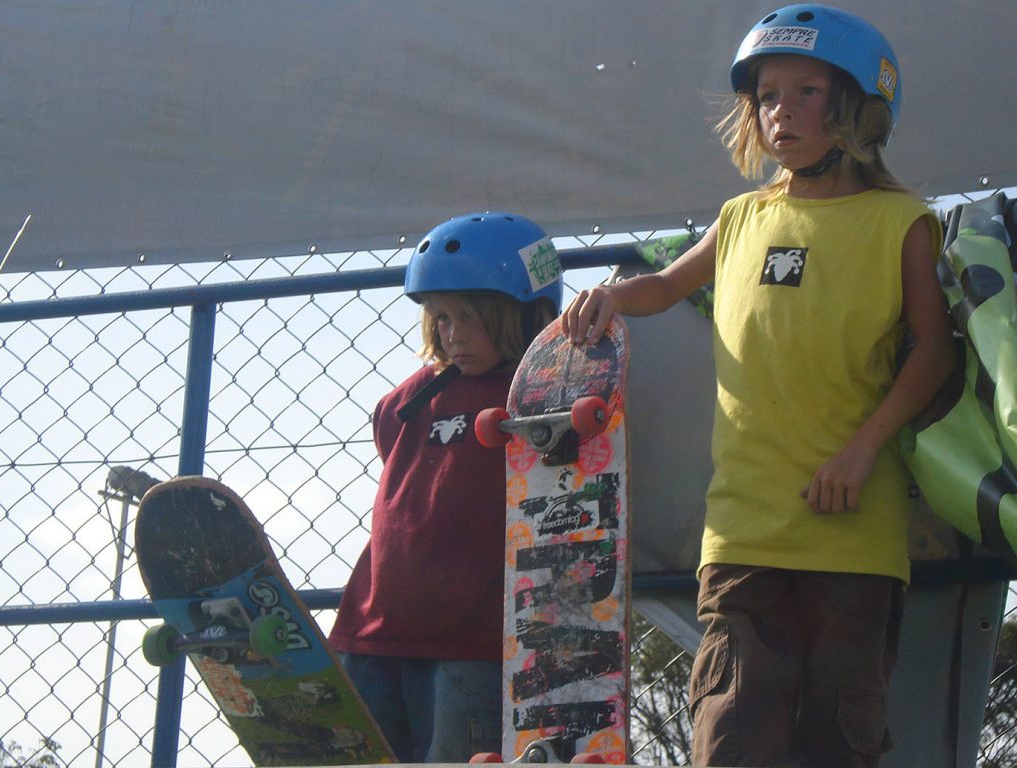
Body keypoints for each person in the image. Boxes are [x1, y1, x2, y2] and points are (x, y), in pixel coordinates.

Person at [562, 5, 956, 767]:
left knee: (837, 743)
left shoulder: (902, 221)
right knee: (732, 735)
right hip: (741, 529)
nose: (781, 110)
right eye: (767, 95)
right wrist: (611, 297)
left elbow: (934, 353)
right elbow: (669, 285)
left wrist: (861, 452)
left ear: (861, 107)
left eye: (807, 90)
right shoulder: (740, 216)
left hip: (854, 525)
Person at [328, 211, 561, 762]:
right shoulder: (412, 398)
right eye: (441, 319)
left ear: (524, 315)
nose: (453, 335)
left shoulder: (541, 395)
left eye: (470, 318)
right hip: (375, 629)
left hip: (471, 641)